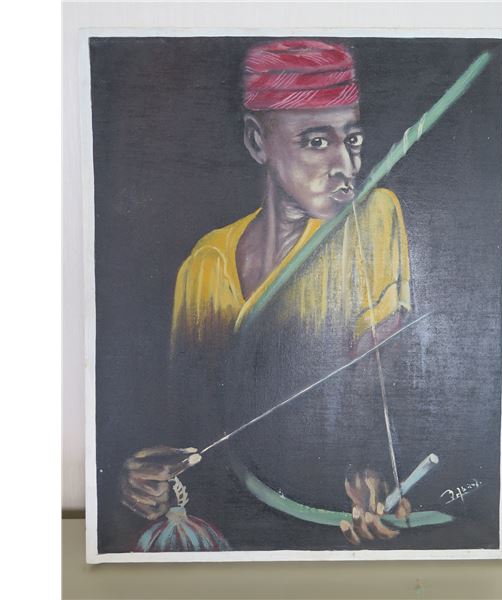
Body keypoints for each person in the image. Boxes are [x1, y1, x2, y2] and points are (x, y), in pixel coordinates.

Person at [120, 39, 413, 548]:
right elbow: (188, 426)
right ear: (258, 142)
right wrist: (148, 480)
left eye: (353, 139)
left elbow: (382, 379)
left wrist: (371, 475)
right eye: (316, 141)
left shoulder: (373, 215)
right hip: (226, 531)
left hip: (325, 526)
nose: (346, 165)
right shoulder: (206, 262)